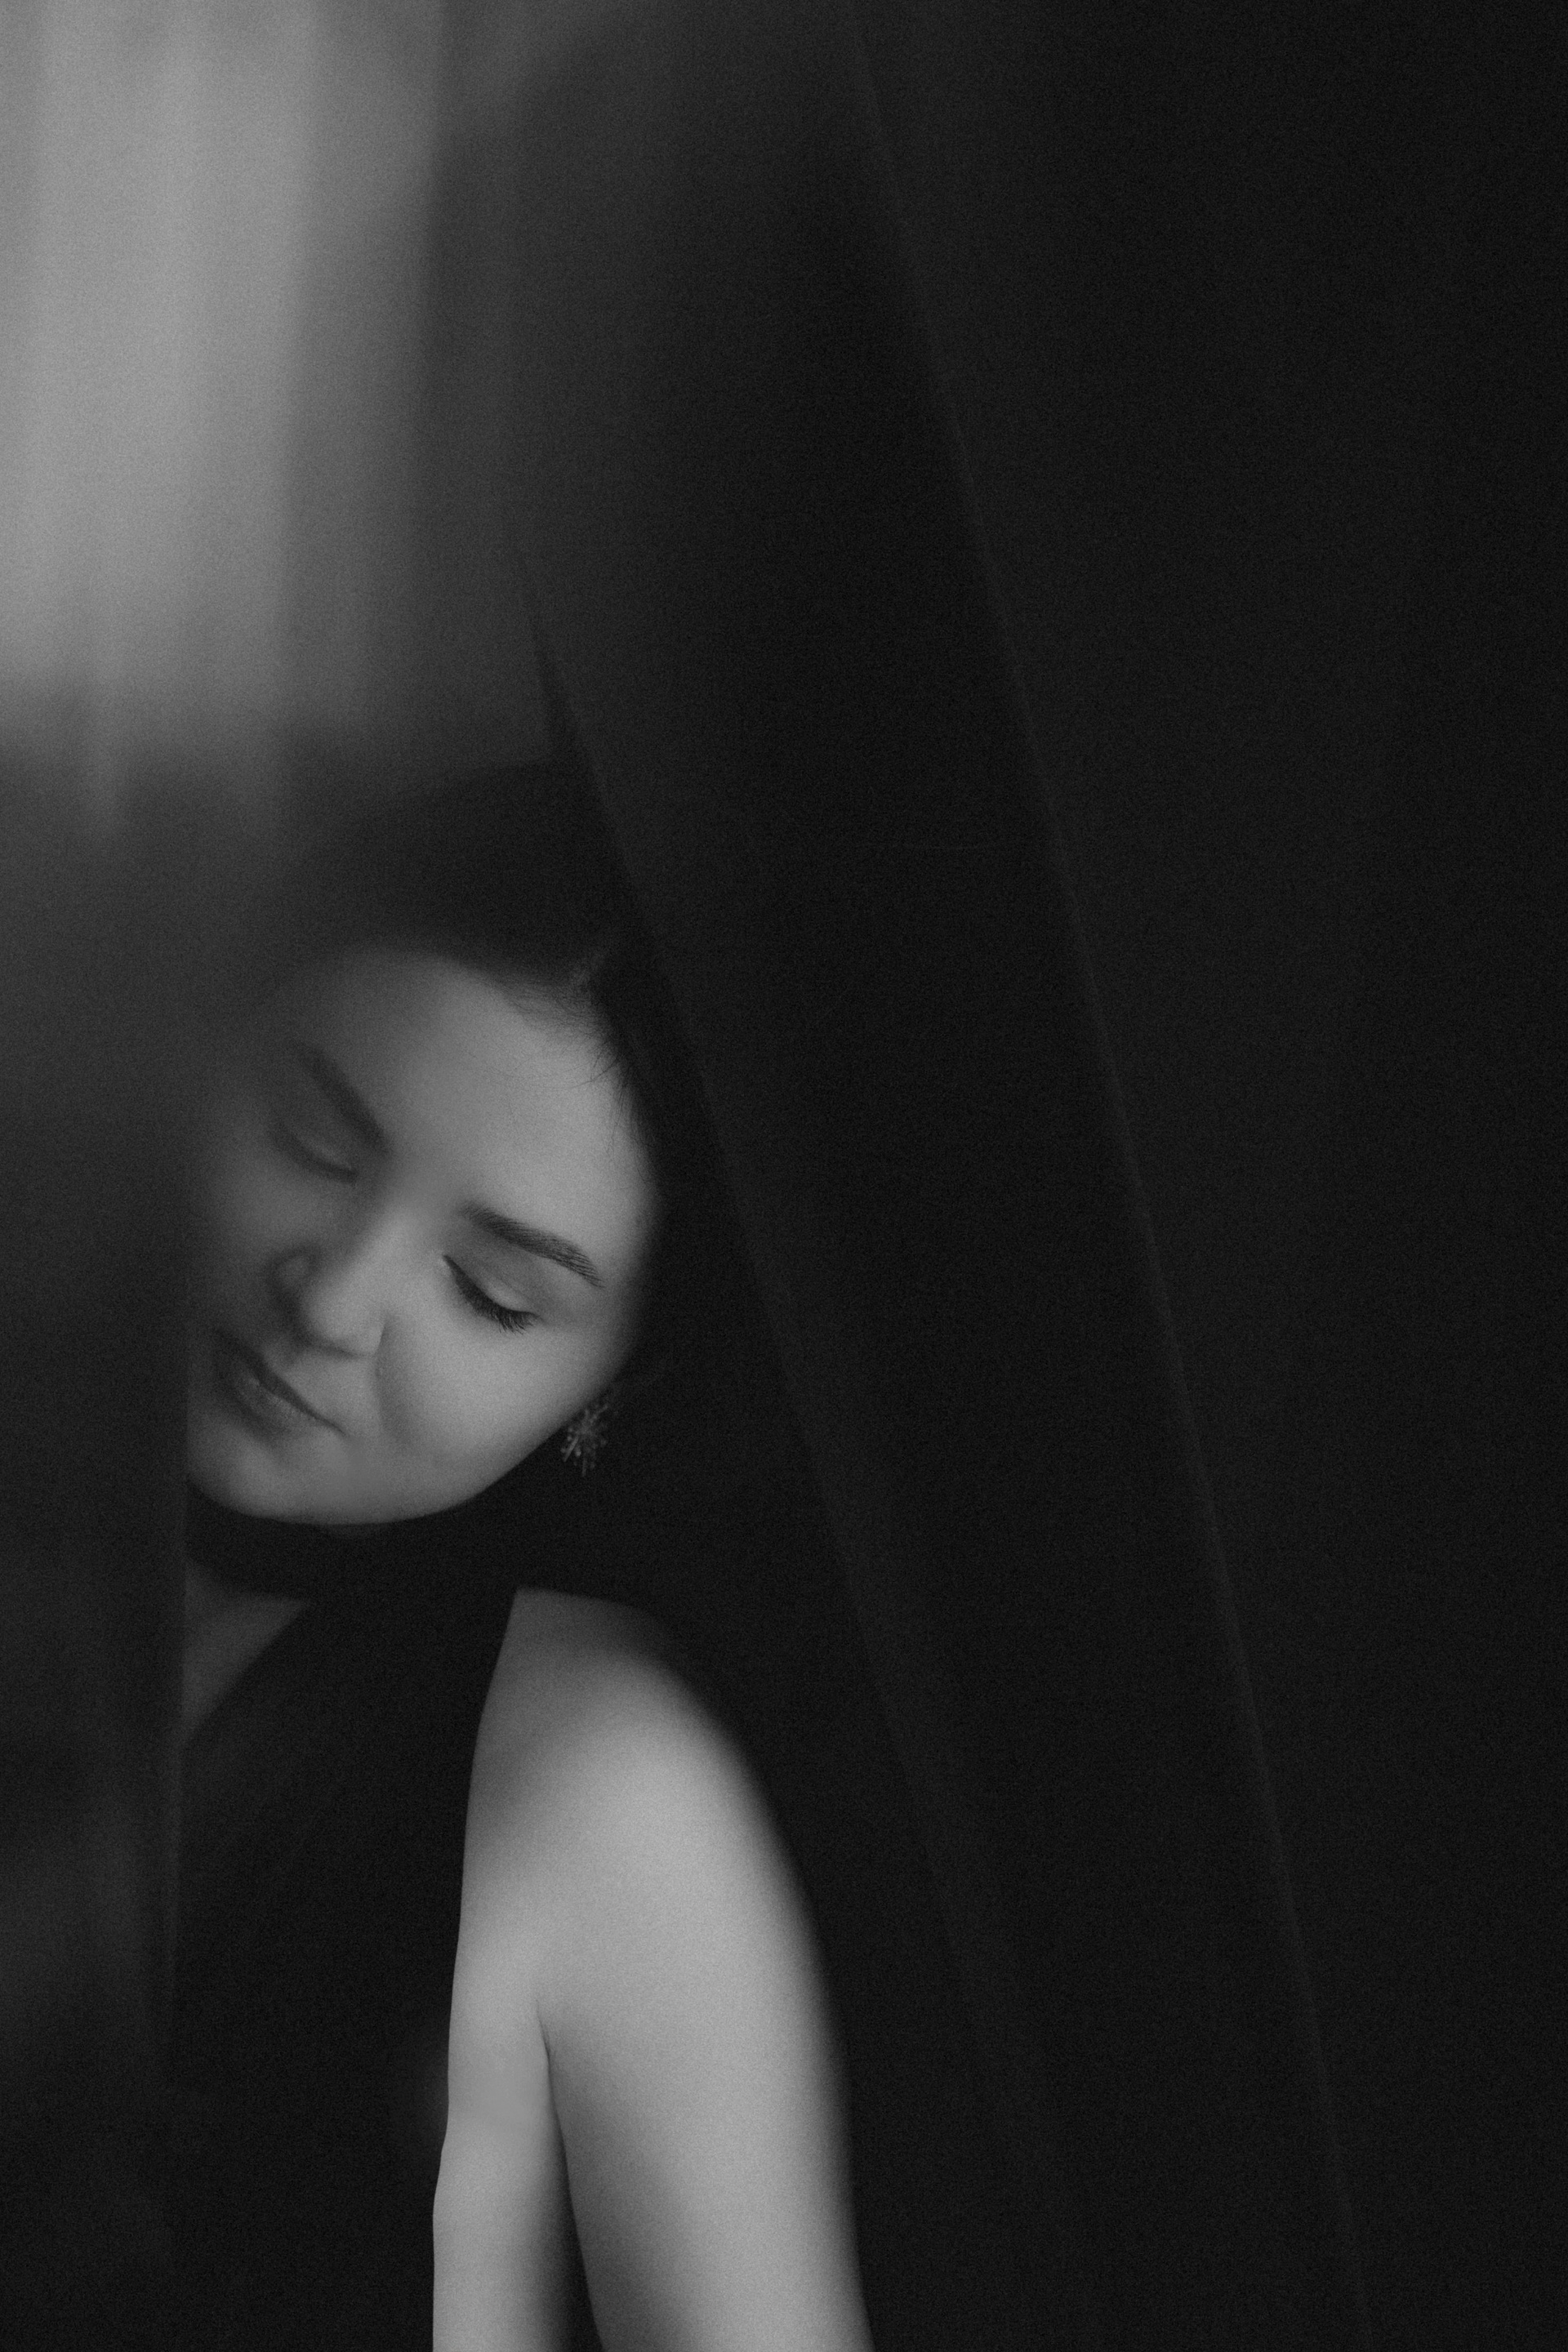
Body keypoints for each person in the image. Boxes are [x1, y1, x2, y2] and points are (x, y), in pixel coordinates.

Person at [172, 763, 875, 2351]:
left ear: (613, 1384)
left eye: (493, 1294)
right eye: (312, 1137)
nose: (333, 1301)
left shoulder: (599, 1781)